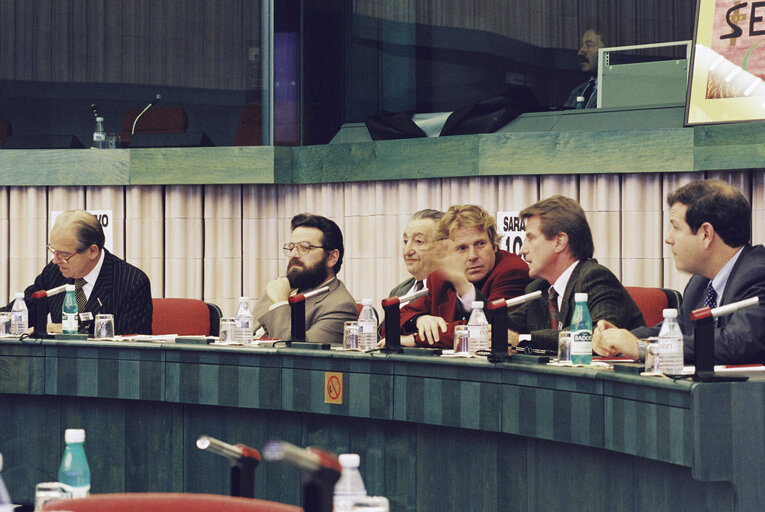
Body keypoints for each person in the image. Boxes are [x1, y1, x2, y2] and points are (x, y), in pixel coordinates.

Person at [593, 179, 765, 364]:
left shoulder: (758, 275)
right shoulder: (700, 283)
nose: (668, 238)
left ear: (706, 234)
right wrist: (618, 339)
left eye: (676, 228)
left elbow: (737, 343)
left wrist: (643, 348)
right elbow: (677, 331)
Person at [507, 195, 644, 352]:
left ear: (559, 242)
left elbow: (595, 334)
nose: (522, 250)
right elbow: (507, 324)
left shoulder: (596, 279)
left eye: (531, 238)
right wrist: (472, 296)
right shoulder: (540, 289)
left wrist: (524, 340)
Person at [395, 204, 531, 348]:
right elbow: (392, 323)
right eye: (462, 248)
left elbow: (488, 332)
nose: (473, 256)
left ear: (494, 245)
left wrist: (416, 338)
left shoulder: (511, 272)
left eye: (480, 244)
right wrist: (419, 319)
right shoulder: (440, 278)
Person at [4, 209, 153, 335]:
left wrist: (67, 330)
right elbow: (22, 311)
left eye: (64, 254)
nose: (55, 260)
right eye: (53, 251)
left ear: (92, 251)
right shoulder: (54, 271)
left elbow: (129, 342)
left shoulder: (132, 282)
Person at [252, 213, 357, 344]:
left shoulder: (340, 306)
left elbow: (297, 356)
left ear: (332, 257)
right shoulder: (281, 287)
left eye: (305, 247)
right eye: (291, 247)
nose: (294, 255)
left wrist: (280, 304)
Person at [388, 209, 445, 298]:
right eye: (405, 241)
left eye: (419, 241)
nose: (407, 251)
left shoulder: (456, 293)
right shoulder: (397, 293)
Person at [563, 29, 605, 109]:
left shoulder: (616, 90)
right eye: (582, 45)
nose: (581, 52)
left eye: (589, 45)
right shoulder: (577, 92)